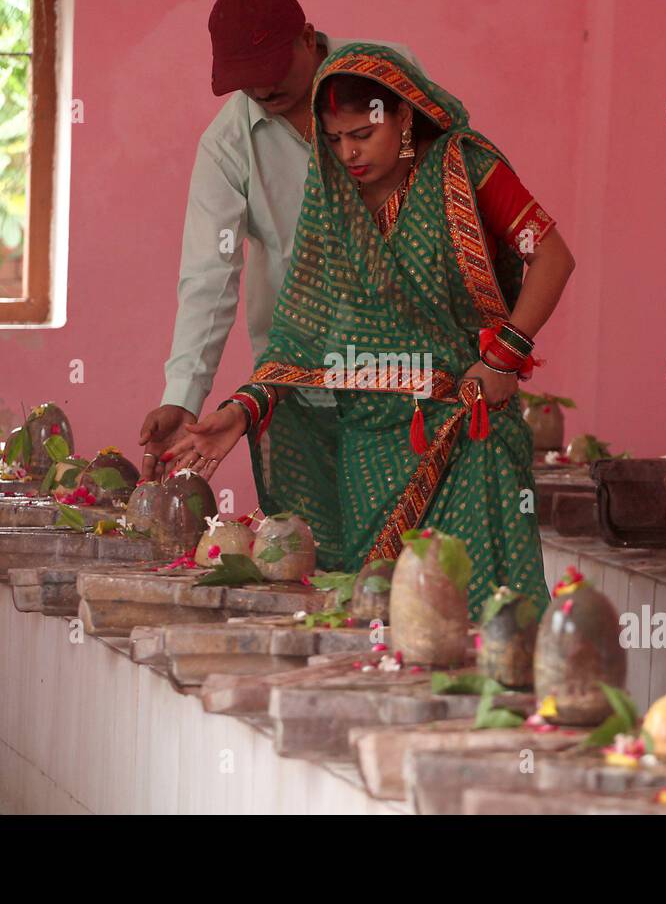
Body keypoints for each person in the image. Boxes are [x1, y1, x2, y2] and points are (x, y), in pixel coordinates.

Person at [167, 43, 575, 614]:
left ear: (404, 115)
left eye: (362, 133)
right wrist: (239, 411)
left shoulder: (466, 167)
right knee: (379, 620)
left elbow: (553, 257)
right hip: (370, 453)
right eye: (333, 139)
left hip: (466, 434)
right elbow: (299, 337)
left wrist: (504, 356)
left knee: (473, 616)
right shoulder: (334, 202)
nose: (348, 152)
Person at [137, 0, 422, 480]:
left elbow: (452, 191)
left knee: (419, 554)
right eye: (247, 80)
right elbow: (209, 275)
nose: (264, 89)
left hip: (413, 375)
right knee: (305, 550)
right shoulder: (226, 146)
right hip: (298, 387)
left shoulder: (388, 78)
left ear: (307, 38)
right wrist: (182, 395)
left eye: (272, 69)